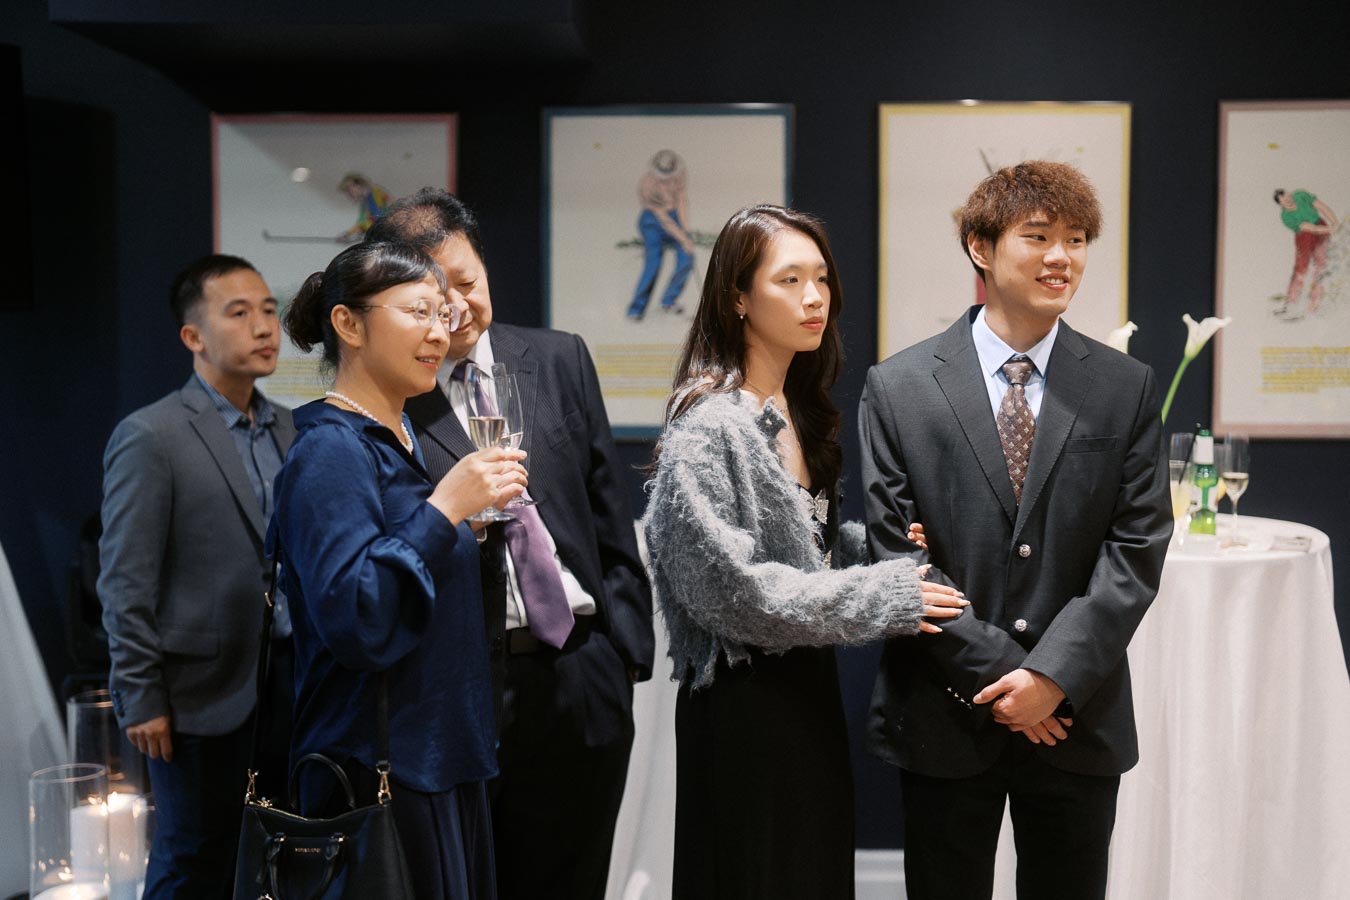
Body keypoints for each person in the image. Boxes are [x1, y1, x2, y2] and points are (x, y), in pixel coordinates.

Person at [860, 160, 1172, 900]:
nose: (1061, 257)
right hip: (943, 710)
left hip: (1076, 717)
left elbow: (1135, 551)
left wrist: (1051, 676)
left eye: (1076, 239)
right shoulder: (899, 387)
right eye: (1038, 236)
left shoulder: (1124, 387)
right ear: (981, 246)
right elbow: (893, 554)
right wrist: (1009, 680)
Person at [642, 204, 969, 899]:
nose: (814, 297)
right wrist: (887, 594)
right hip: (742, 707)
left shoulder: (797, 407)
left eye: (820, 278)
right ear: (737, 296)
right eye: (789, 280)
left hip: (805, 694)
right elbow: (737, 595)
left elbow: (807, 549)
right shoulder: (708, 427)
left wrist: (882, 550)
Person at [364, 189, 654, 900]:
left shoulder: (556, 359)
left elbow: (606, 509)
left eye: (466, 283)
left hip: (582, 670)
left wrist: (623, 655)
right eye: (431, 297)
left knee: (577, 877)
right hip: (468, 682)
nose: (456, 308)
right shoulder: (391, 397)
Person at [269, 240, 527, 899]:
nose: (439, 330)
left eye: (444, 314)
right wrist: (444, 510)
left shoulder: (399, 438)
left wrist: (455, 527)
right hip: (381, 771)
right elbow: (358, 617)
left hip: (439, 758)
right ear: (348, 324)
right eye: (418, 311)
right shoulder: (330, 451)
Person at [99, 254, 295, 899]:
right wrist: (141, 694)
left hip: (293, 684)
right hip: (199, 696)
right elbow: (126, 580)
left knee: (285, 854)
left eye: (268, 310)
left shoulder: (292, 429)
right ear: (194, 336)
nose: (263, 326)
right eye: (238, 313)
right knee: (195, 861)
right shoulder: (152, 435)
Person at [626, 149, 696, 320]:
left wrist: (685, 231)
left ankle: (668, 300)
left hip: (673, 217)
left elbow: (681, 200)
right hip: (653, 221)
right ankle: (636, 309)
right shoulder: (647, 184)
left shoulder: (680, 175)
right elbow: (662, 219)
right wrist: (681, 237)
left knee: (687, 257)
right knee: (653, 264)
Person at [1273, 187, 1339, 319]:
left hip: (1321, 227)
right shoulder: (1286, 217)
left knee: (1321, 266)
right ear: (1281, 204)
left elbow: (1322, 207)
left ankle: (1314, 305)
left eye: (1288, 197)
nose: (1288, 201)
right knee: (1301, 269)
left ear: (1290, 194)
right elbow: (1311, 228)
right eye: (1284, 201)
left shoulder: (1301, 196)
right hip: (1305, 236)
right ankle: (1291, 304)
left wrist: (1335, 222)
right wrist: (1329, 229)